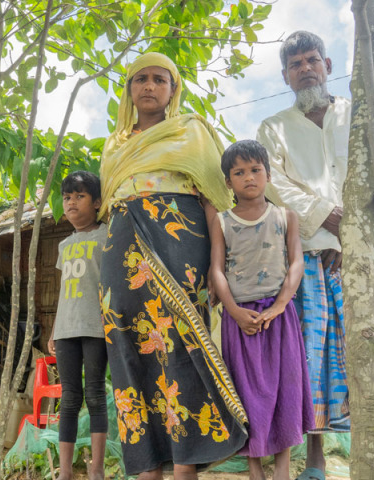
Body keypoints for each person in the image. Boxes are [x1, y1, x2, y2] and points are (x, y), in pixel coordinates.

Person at [98, 51, 248, 480]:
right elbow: (109, 203)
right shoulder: (114, 144)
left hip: (181, 243)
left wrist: (217, 270)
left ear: (173, 88)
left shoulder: (193, 132)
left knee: (181, 346)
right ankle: (147, 470)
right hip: (121, 250)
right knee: (129, 351)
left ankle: (185, 468)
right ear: (129, 89)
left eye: (159, 79)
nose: (149, 86)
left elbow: (216, 202)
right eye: (140, 79)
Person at [257, 31, 351, 480]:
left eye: (312, 60)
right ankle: (313, 458)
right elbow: (273, 184)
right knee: (309, 356)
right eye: (295, 64)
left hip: (354, 253)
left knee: (360, 349)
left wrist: (349, 238)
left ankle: (367, 444)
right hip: (305, 252)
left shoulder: (356, 116)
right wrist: (326, 219)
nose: (305, 69)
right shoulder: (272, 128)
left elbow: (372, 176)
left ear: (328, 65)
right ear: (285, 75)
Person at [208, 140, 314, 480]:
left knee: (286, 387)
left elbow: (296, 261)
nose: (248, 177)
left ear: (268, 174)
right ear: (228, 182)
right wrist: (234, 312)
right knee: (245, 391)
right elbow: (217, 270)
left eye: (255, 170)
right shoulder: (222, 222)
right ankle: (255, 469)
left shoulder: (286, 217)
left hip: (280, 318)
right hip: (240, 320)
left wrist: (281, 304)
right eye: (239, 172)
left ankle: (282, 469)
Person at [46, 171, 108, 480]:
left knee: (95, 395)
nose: (71, 202)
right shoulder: (64, 245)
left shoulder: (107, 235)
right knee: (69, 398)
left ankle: (96, 470)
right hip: (67, 329)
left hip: (97, 326)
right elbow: (63, 291)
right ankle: (66, 472)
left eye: (79, 196)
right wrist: (55, 329)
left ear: (97, 202)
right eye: (67, 197)